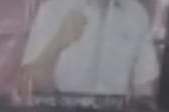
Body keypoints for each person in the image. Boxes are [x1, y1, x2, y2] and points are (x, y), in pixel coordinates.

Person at [18, 0, 160, 98]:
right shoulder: (53, 9)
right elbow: (31, 85)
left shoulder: (136, 14)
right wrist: (57, 43)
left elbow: (144, 88)